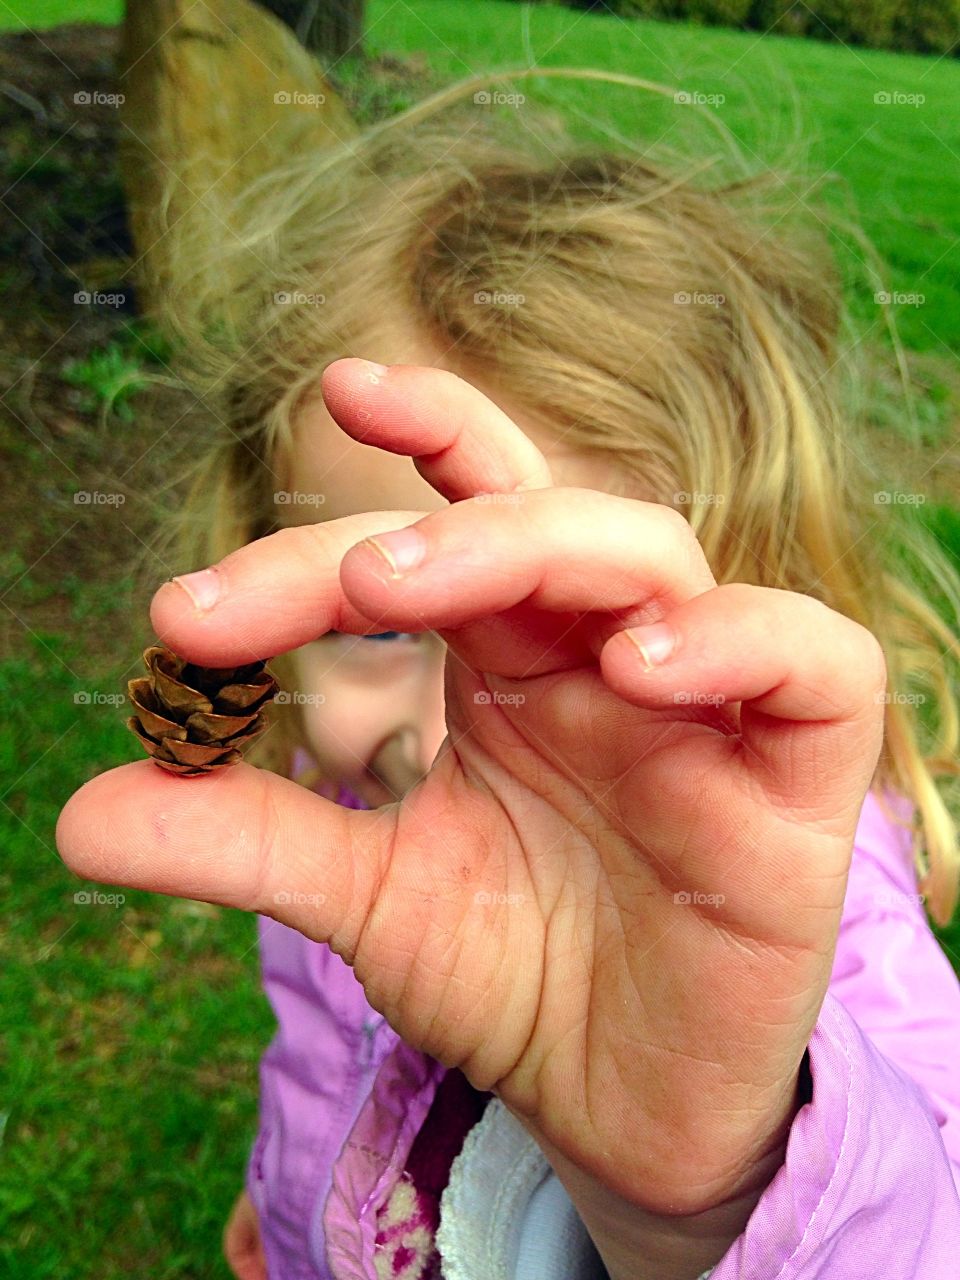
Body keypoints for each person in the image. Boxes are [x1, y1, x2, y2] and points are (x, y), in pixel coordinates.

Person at [56, 71, 960, 1280]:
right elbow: (322, 1058)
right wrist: (289, 1196)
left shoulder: (815, 917)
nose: (451, 742)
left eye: (574, 661)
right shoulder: (335, 819)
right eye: (377, 628)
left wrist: (708, 1200)